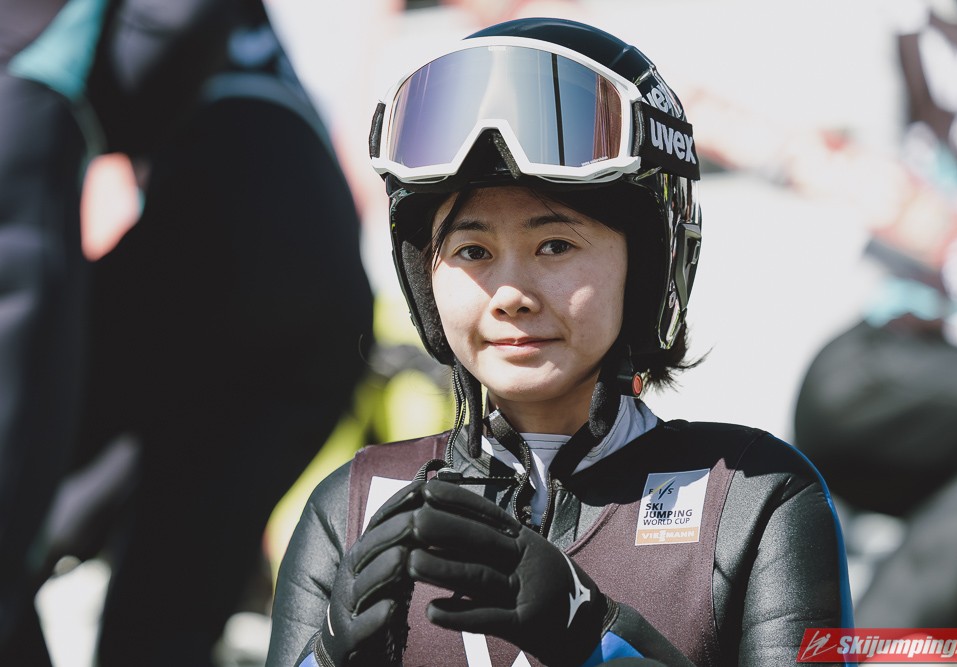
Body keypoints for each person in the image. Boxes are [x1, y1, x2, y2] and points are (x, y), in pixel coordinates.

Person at [266, 17, 853, 667]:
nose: (510, 293)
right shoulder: (350, 509)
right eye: (472, 250)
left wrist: (592, 637)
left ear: (647, 265)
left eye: (554, 245)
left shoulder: (754, 497)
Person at [1, 1, 373, 665]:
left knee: (24, 537)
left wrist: (89, 115)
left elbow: (173, 26)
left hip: (217, 227)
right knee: (165, 617)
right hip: (321, 272)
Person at [793, 0, 957, 630]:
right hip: (885, 363)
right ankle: (877, 646)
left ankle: (885, 637)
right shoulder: (896, 23)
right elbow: (808, 141)